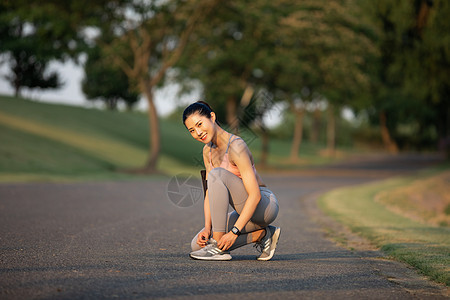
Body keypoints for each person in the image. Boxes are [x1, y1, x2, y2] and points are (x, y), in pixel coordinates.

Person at [182, 101, 280, 261]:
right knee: (197, 245)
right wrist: (207, 228)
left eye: (200, 124)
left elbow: (255, 195)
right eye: (192, 130)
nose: (198, 132)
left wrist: (234, 231)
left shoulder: (236, 146)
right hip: (243, 210)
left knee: (217, 174)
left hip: (264, 206)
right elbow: (209, 194)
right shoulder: (207, 151)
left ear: (212, 117)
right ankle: (262, 235)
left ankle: (218, 248)